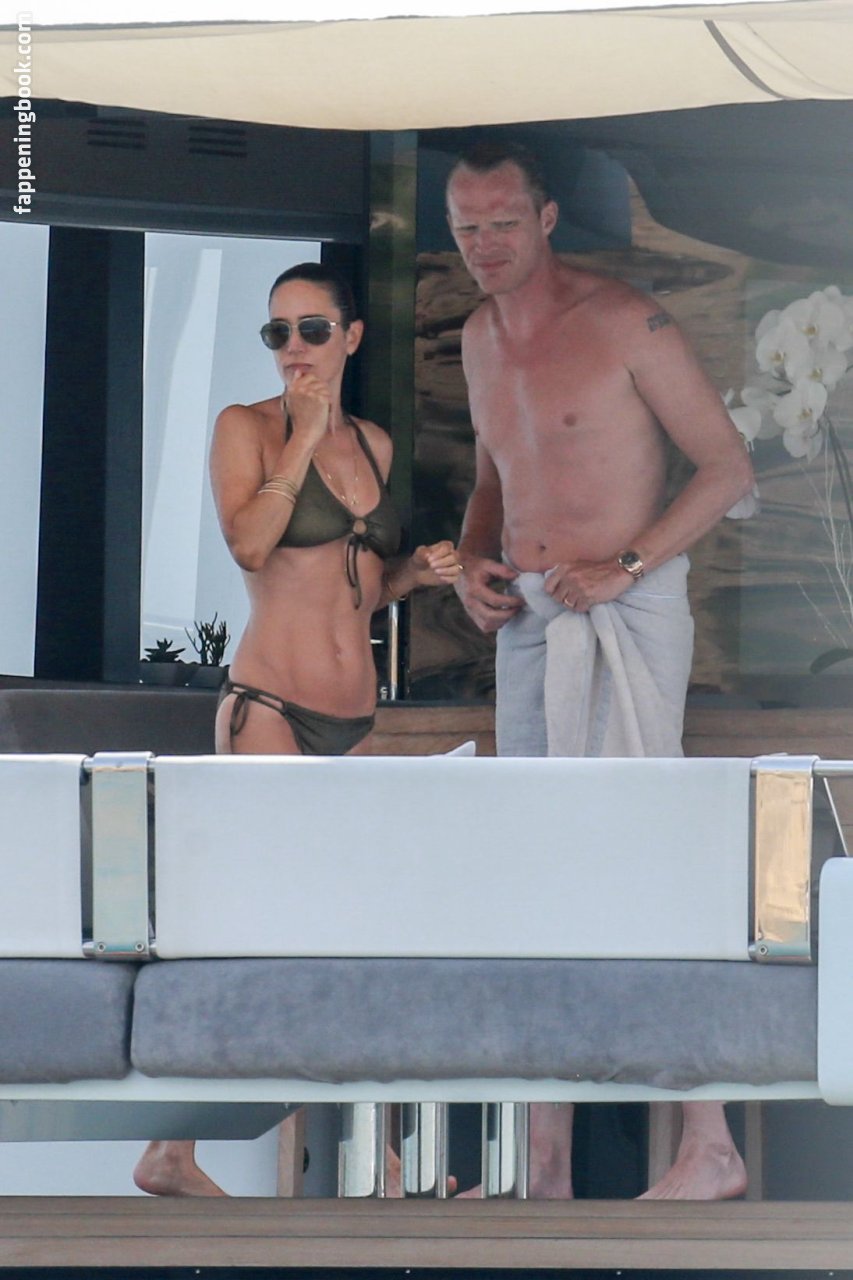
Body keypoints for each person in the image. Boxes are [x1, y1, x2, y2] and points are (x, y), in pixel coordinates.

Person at [446, 142, 755, 1201]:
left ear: (544, 218)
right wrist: (472, 564)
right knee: (538, 873)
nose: (484, 245)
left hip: (626, 609)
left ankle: (709, 1140)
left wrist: (624, 564)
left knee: (643, 859)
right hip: (532, 622)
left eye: (502, 222)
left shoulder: (626, 320)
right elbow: (494, 475)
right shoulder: (475, 338)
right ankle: (545, 1164)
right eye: (466, 228)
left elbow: (726, 467)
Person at [133, 261, 461, 1197]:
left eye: (312, 330)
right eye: (277, 333)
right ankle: (178, 1148)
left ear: (350, 337)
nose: (294, 350)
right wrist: (303, 436)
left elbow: (359, 586)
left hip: (353, 721)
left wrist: (416, 575)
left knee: (349, 929)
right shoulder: (246, 428)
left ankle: (364, 1151)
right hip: (271, 710)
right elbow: (248, 544)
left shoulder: (376, 446)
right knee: (270, 930)